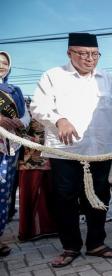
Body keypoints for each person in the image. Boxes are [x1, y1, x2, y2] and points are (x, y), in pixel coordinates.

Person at [30, 33, 112, 267]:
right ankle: (70, 246)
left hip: (100, 149)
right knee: (65, 198)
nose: (89, 58)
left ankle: (96, 243)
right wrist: (59, 119)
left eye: (94, 54)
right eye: (83, 53)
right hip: (65, 151)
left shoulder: (108, 79)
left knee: (99, 196)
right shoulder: (53, 76)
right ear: (69, 53)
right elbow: (38, 106)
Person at [0, 50, 30, 257]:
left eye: (5, 62)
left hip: (10, 147)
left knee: (3, 193)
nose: (2, 65)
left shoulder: (15, 90)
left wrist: (21, 122)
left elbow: (26, 115)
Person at [18, 99, 57, 241]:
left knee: (51, 197)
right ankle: (29, 232)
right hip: (30, 162)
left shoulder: (55, 112)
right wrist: (41, 142)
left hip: (53, 161)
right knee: (30, 197)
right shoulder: (26, 111)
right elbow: (19, 134)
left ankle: (51, 228)